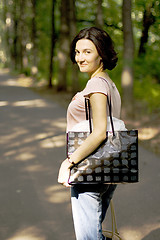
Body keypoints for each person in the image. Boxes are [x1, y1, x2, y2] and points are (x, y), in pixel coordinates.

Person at [58, 27, 121, 240]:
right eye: (77, 52)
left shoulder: (96, 84)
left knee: (89, 237)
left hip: (88, 169)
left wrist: (68, 162)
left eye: (87, 52)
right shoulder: (108, 83)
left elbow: (100, 132)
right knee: (94, 233)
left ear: (101, 54)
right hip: (105, 167)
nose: (80, 58)